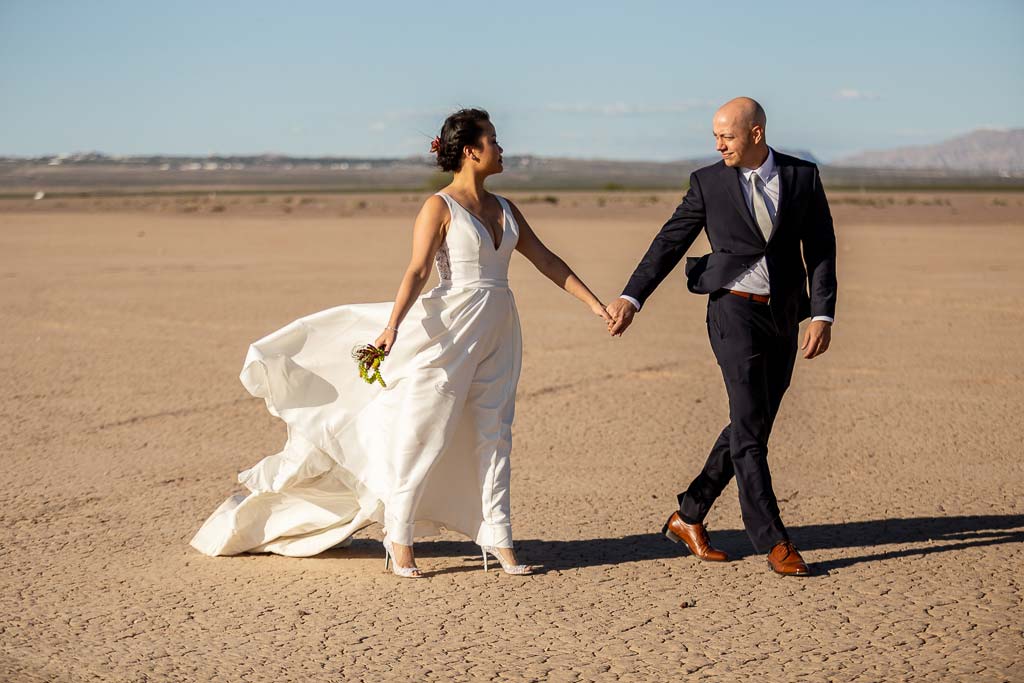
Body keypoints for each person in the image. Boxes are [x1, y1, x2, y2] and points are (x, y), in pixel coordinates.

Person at [190, 108, 612, 577]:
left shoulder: (507, 209)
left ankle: (499, 537)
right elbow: (417, 269)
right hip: (449, 328)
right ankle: (399, 535)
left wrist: (595, 305)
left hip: (501, 326)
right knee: (424, 432)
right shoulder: (440, 206)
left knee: (495, 433)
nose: (501, 147)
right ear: (471, 151)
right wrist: (392, 326)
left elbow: (547, 260)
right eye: (493, 139)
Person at [605, 97, 838, 576]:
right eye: (715, 136)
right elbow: (669, 242)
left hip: (784, 316)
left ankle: (689, 514)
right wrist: (632, 297)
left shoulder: (801, 177)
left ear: (755, 134)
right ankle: (774, 541)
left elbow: (820, 246)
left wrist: (822, 313)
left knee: (750, 426)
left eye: (726, 136)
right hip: (732, 314)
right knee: (751, 433)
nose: (718, 144)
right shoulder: (708, 183)